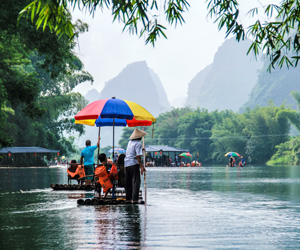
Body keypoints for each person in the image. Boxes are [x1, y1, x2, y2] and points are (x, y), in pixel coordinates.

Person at [124, 128, 147, 203]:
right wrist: (141, 166)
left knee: (129, 182)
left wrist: (141, 150)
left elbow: (132, 152)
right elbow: (138, 156)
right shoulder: (138, 143)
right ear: (139, 137)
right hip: (133, 163)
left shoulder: (130, 142)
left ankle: (128, 198)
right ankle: (135, 199)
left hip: (127, 163)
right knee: (136, 182)